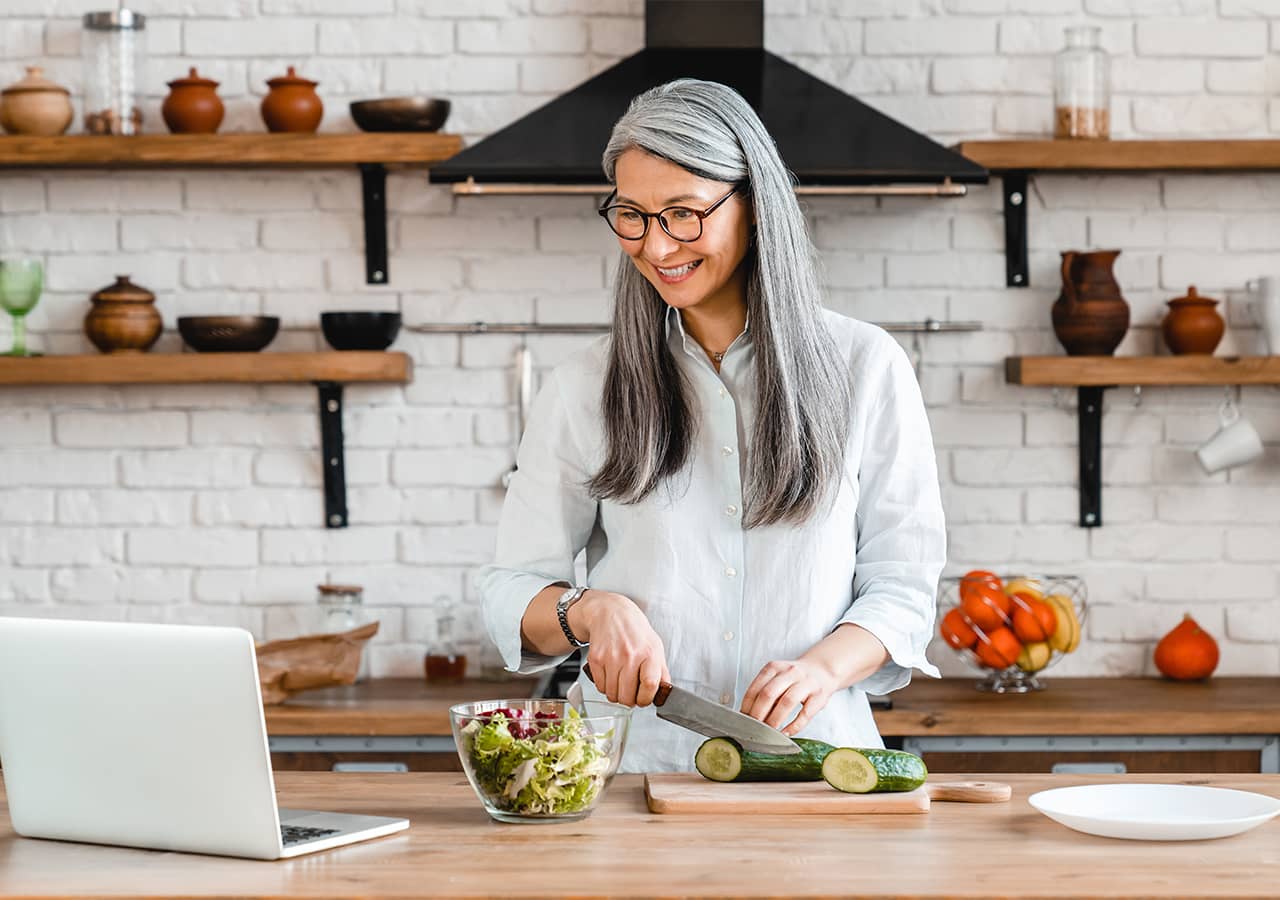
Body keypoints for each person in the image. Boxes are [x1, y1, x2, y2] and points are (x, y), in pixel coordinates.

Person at [476, 78, 945, 773]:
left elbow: (904, 587)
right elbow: (512, 589)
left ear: (753, 206)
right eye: (631, 214)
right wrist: (590, 610)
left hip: (812, 768)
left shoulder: (865, 367)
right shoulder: (582, 385)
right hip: (632, 771)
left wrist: (819, 670)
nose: (657, 246)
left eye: (683, 214)